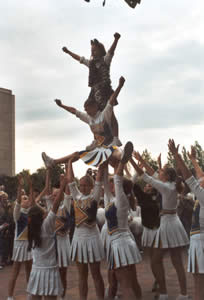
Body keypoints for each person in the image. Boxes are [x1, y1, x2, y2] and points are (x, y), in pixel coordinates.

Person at [131, 150, 189, 300]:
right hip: (174, 222)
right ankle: (183, 293)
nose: (159, 172)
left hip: (167, 224)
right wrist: (142, 160)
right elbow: (152, 174)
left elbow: (146, 177)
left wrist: (130, 161)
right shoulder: (169, 185)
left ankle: (164, 293)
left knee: (157, 260)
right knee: (177, 261)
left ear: (167, 176)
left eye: (161, 171)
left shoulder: (166, 187)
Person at [42, 76, 125, 168]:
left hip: (110, 146)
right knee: (77, 154)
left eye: (88, 109)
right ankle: (53, 162)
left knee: (114, 151)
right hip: (99, 148)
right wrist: (62, 105)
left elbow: (111, 100)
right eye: (85, 110)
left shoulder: (104, 114)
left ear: (95, 107)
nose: (86, 112)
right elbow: (74, 111)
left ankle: (122, 155)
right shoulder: (88, 118)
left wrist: (120, 86)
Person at [62, 32, 121, 146]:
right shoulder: (91, 63)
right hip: (95, 93)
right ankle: (96, 139)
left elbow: (111, 51)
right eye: (91, 50)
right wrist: (68, 52)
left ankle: (115, 138)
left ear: (100, 50)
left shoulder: (105, 60)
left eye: (94, 50)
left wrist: (116, 40)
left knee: (111, 115)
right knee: (93, 116)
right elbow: (79, 58)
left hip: (105, 91)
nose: (92, 52)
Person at [104, 141, 142, 300]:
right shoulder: (116, 198)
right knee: (132, 282)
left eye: (113, 184)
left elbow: (117, 179)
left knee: (126, 284)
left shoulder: (120, 198)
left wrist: (123, 160)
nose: (112, 184)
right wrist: (104, 161)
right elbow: (107, 180)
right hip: (123, 242)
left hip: (120, 243)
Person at [168, 139, 204, 300]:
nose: (201, 179)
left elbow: (191, 178)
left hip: (200, 240)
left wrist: (177, 156)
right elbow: (199, 176)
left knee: (199, 285)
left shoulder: (202, 195)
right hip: (198, 238)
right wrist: (194, 160)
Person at [67, 153, 105, 300]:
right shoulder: (76, 196)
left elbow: (99, 179)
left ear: (90, 186)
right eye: (81, 185)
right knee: (81, 275)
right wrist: (70, 162)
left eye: (85, 185)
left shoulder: (94, 196)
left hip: (92, 236)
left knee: (96, 273)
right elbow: (70, 181)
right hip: (78, 237)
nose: (82, 187)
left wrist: (101, 160)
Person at [26, 172, 68, 300]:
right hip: (50, 269)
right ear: (43, 216)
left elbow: (33, 205)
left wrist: (31, 188)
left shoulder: (32, 228)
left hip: (36, 269)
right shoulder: (47, 225)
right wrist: (63, 185)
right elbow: (55, 205)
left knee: (35, 297)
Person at [7, 175, 34, 300]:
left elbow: (35, 198)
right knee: (15, 271)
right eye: (24, 198)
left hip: (29, 244)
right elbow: (17, 201)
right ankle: (10, 296)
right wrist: (21, 187)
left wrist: (31, 186)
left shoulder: (30, 212)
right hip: (19, 244)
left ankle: (30, 294)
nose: (26, 199)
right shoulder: (17, 213)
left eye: (26, 198)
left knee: (30, 270)